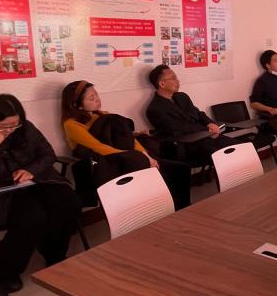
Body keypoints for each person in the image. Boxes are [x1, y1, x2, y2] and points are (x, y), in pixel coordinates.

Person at [0, 94, 82, 293]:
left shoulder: (26, 128)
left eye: (14, 124)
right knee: (31, 216)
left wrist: (31, 170)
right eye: (2, 126)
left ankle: (54, 254)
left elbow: (48, 154)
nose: (9, 130)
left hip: (34, 182)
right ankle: (6, 271)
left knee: (69, 203)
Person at [60, 80, 191, 210]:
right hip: (110, 164)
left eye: (96, 94)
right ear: (78, 105)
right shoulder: (71, 124)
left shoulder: (104, 115)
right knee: (161, 177)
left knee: (181, 169)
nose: (97, 99)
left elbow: (128, 138)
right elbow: (99, 148)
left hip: (131, 157)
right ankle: (167, 211)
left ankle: (183, 210)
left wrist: (146, 156)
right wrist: (138, 157)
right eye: (91, 98)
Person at [145, 65, 231, 166]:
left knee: (239, 147)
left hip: (205, 136)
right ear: (162, 84)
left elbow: (198, 113)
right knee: (225, 157)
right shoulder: (154, 109)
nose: (178, 81)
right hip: (188, 145)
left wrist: (210, 123)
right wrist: (207, 130)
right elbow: (181, 129)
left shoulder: (182, 96)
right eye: (173, 78)